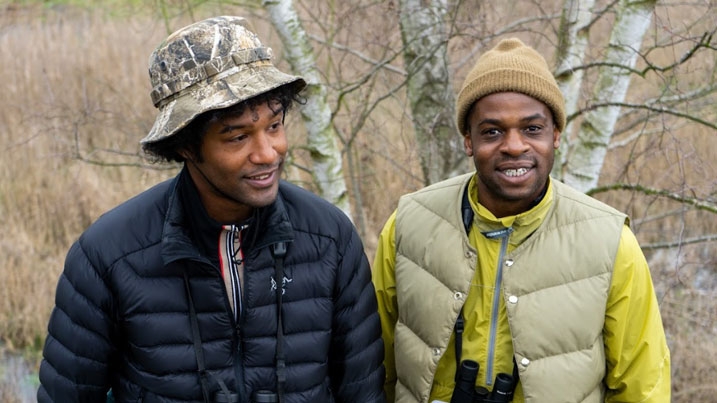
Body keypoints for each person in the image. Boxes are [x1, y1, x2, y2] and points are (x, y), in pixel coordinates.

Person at [37, 16, 385, 403]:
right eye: (238, 137)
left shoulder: (329, 238)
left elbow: (362, 391)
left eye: (274, 126)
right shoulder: (108, 256)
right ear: (185, 145)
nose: (268, 153)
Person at [372, 38, 671, 403]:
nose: (514, 146)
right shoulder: (409, 225)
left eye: (532, 129)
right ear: (468, 140)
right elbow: (373, 366)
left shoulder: (609, 243)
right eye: (492, 131)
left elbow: (643, 387)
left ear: (556, 135)